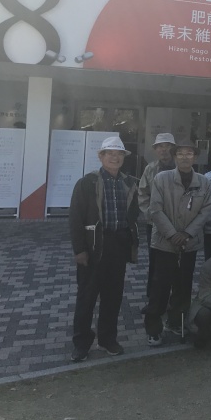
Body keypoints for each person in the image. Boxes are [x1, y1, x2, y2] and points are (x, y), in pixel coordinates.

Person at [69, 137, 140, 362]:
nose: (115, 157)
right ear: (101, 156)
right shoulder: (86, 182)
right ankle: (81, 343)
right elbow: (75, 218)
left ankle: (108, 339)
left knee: (113, 296)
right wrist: (79, 250)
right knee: (86, 297)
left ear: (124, 158)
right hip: (93, 246)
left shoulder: (130, 182)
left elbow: (136, 213)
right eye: (110, 153)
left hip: (118, 245)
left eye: (119, 154)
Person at [144, 138, 211, 347]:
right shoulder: (161, 178)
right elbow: (155, 209)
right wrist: (173, 234)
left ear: (195, 157)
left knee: (183, 286)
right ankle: (153, 329)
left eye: (189, 153)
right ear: (174, 156)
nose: (184, 157)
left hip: (189, 244)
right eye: (180, 153)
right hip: (165, 243)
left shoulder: (203, 181)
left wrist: (188, 233)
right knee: (160, 287)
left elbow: (205, 210)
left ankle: (176, 322)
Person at [138, 132, 175, 297]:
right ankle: (153, 298)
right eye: (160, 146)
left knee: (176, 261)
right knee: (155, 260)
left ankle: (174, 298)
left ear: (173, 149)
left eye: (167, 146)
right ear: (155, 149)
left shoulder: (182, 167)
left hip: (177, 224)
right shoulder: (150, 168)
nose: (164, 150)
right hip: (154, 224)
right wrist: (151, 215)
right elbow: (142, 194)